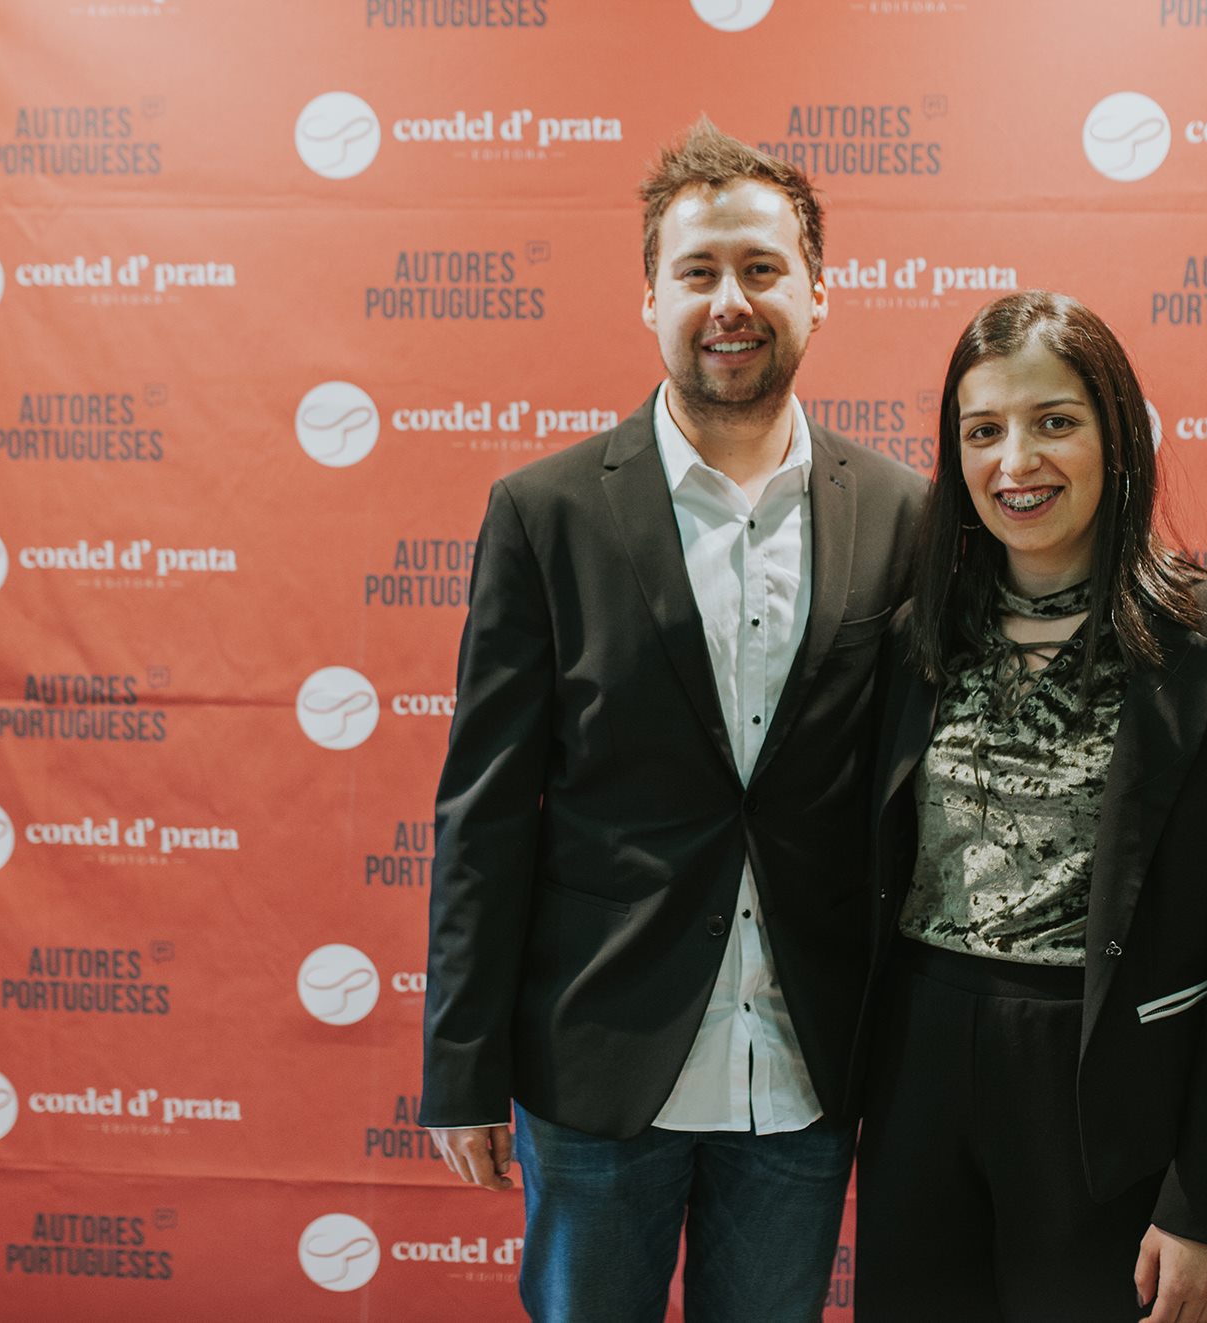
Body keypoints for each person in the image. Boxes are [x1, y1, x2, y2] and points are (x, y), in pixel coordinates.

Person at [418, 117, 924, 1323]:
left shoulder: (904, 514)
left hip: (803, 1076)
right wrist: (461, 1065)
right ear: (650, 297)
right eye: (697, 271)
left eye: (761, 268)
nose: (729, 301)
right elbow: (486, 810)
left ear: (817, 293)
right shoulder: (544, 514)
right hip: (594, 1068)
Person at [851, 290, 1207, 1323]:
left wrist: (1206, 1206)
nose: (1016, 461)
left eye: (1053, 421)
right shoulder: (912, 638)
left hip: (1103, 1086)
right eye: (983, 431)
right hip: (919, 1065)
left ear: (1117, 437)